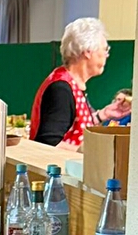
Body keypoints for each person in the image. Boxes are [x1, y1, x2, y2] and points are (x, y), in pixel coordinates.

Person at [30, 17, 131, 150]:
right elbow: (48, 142)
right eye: (104, 49)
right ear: (88, 52)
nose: (106, 55)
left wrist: (103, 115)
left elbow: (72, 127)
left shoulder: (71, 84)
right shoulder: (61, 89)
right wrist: (86, 151)